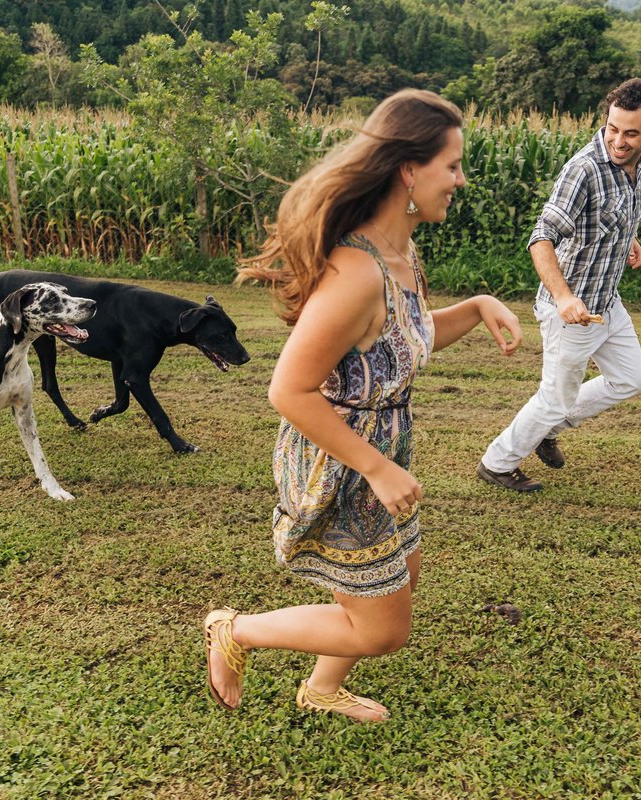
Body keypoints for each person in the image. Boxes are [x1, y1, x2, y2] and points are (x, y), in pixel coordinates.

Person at [207, 89, 523, 722]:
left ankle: (321, 689)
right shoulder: (357, 273)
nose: (460, 179)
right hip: (343, 462)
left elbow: (404, 336)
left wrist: (479, 305)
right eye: (452, 165)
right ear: (410, 169)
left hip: (381, 448)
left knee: (400, 579)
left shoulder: (401, 255)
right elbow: (288, 390)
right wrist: (376, 467)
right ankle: (234, 629)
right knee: (381, 628)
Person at [477, 78, 641, 492]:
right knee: (554, 397)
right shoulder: (583, 170)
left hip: (607, 303)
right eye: (612, 128)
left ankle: (548, 429)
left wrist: (629, 238)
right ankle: (497, 462)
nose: (617, 140)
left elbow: (619, 210)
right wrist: (564, 297)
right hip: (571, 311)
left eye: (631, 132)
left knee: (630, 380)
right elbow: (541, 237)